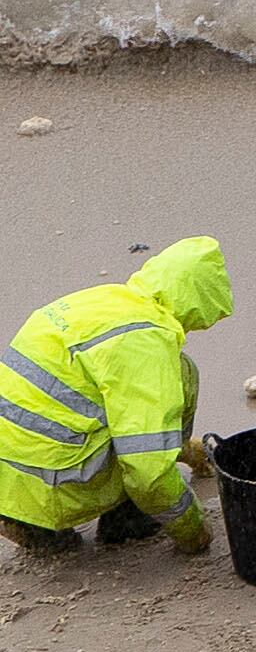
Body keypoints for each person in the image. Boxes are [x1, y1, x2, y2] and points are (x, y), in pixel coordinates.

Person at [0, 237, 232, 560]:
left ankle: (34, 526)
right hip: (52, 482)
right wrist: (194, 532)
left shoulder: (107, 301)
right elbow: (148, 475)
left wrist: (188, 451)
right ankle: (124, 524)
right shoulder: (148, 342)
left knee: (95, 414)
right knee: (181, 378)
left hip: (9, 471)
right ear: (200, 300)